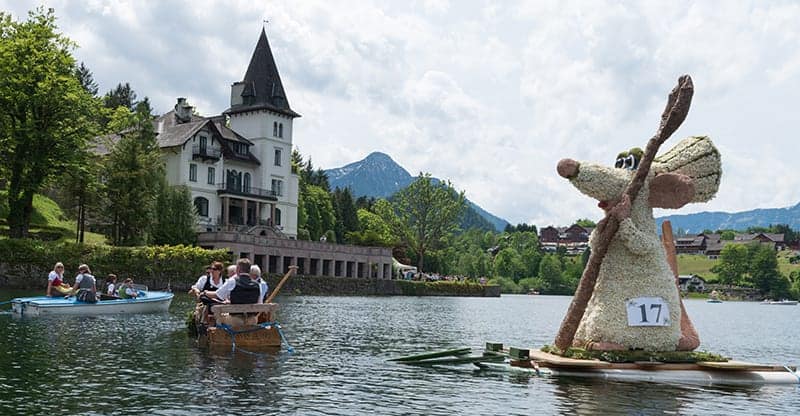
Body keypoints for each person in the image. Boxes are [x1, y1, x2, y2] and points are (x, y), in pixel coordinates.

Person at [203, 258, 264, 326]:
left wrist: (205, 293)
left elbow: (217, 294)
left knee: (217, 316)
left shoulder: (233, 281)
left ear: (238, 269)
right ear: (249, 270)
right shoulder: (257, 285)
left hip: (236, 320)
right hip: (252, 320)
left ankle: (214, 333)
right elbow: (260, 303)